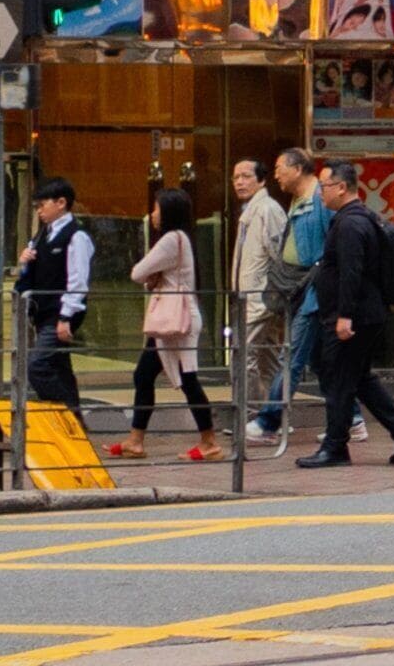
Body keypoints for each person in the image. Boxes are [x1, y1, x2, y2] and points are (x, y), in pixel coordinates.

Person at [294, 162, 394, 470]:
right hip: (364, 315)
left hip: (353, 318)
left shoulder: (351, 224)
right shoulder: (358, 218)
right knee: (359, 377)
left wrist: (344, 316)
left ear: (341, 188)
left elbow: (351, 272)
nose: (320, 193)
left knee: (338, 380)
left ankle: (335, 447)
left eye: (324, 187)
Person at [110, 187, 220, 461]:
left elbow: (137, 273)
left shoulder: (171, 239)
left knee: (187, 379)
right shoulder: (182, 238)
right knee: (144, 375)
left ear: (169, 211)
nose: (152, 214)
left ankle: (209, 442)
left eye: (157, 208)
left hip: (175, 320)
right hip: (172, 319)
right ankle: (136, 440)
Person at [252, 148, 342, 446]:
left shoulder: (320, 199)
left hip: (313, 293)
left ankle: (268, 422)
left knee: (290, 356)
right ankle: (351, 418)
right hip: (301, 290)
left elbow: (335, 245)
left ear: (298, 169)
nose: (276, 174)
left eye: (280, 167)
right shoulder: (298, 199)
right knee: (319, 362)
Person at [11, 176, 90, 422]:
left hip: (60, 312)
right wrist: (25, 262)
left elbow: (78, 280)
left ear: (61, 203)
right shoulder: (42, 234)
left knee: (38, 365)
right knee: (59, 366)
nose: (39, 211)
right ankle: (74, 423)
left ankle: (65, 416)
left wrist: (66, 317)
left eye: (42, 205)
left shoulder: (76, 236)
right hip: (43, 311)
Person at [228, 158, 286, 433]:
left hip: (260, 298)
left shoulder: (268, 209)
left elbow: (278, 254)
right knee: (267, 358)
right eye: (236, 177)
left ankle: (251, 415)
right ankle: (274, 416)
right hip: (254, 297)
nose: (239, 182)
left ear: (261, 180)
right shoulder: (252, 210)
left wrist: (274, 292)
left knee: (244, 355)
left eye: (246, 176)